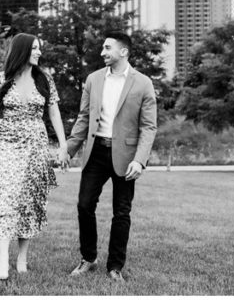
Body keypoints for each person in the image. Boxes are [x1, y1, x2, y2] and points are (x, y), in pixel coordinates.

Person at [66, 31, 158, 283]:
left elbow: (149, 127)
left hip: (127, 156)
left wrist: (139, 160)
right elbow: (84, 117)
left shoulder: (143, 83)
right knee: (84, 205)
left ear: (123, 52)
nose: (102, 52)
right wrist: (69, 149)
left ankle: (115, 266)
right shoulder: (93, 79)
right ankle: (88, 258)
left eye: (107, 48)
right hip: (95, 152)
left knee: (122, 212)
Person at [0, 33, 70, 281]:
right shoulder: (1, 80)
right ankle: (2, 263)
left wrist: (63, 146)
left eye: (40, 48)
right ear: (21, 50)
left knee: (29, 202)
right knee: (5, 199)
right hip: (7, 145)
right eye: (34, 49)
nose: (39, 53)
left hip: (36, 147)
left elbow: (54, 113)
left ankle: (22, 258)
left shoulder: (44, 79)